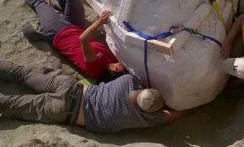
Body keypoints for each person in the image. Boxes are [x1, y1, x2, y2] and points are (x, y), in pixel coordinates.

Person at [10, 0, 124, 79]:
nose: (123, 65)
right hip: (76, 27)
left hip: (59, 33)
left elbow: (83, 39)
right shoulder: (111, 61)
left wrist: (100, 21)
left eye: (122, 67)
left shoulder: (96, 68)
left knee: (38, 2)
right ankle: (60, 6)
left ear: (116, 69)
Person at [0, 59, 181, 132]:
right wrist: (193, 105)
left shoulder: (128, 82)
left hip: (72, 87)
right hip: (66, 112)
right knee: (12, 104)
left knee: (21, 73)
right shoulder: (144, 118)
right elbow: (171, 116)